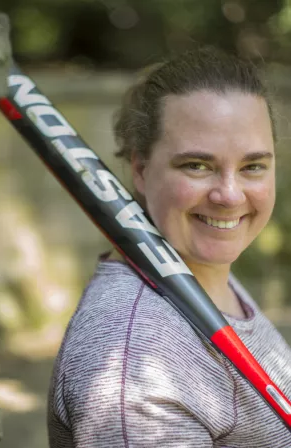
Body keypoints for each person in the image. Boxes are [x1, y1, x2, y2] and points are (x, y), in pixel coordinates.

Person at [47, 47, 291, 447]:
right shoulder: (136, 358)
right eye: (197, 165)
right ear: (141, 170)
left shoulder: (209, 277)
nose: (229, 195)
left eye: (252, 166)